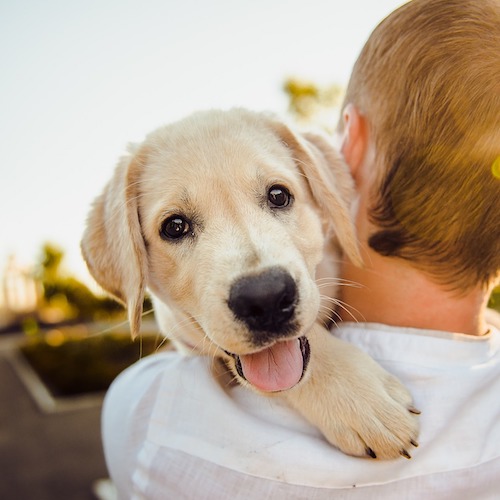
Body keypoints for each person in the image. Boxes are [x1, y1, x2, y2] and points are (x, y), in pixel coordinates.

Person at [101, 0, 500, 498]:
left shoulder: (147, 418)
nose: (259, 280)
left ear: (340, 158)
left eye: (276, 197)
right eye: (177, 226)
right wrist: (318, 368)